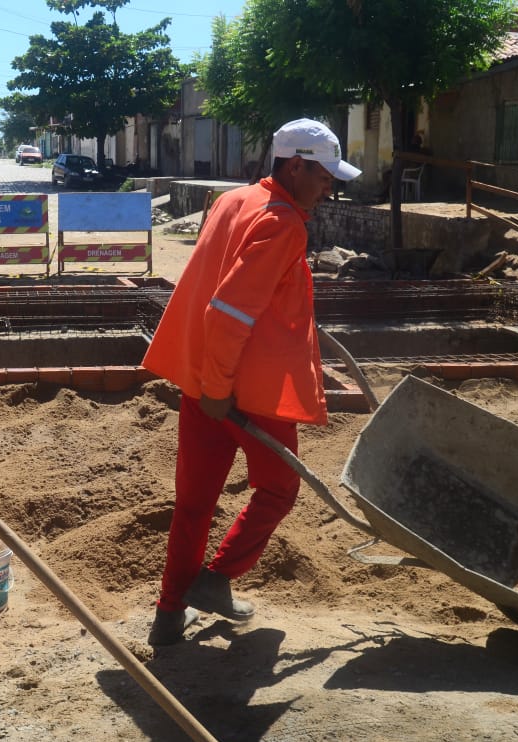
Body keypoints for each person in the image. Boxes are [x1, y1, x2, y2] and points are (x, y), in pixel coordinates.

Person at [141, 118, 361, 646]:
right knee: (281, 486)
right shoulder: (285, 224)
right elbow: (229, 313)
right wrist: (221, 390)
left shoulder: (233, 200)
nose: (330, 186)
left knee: (194, 502)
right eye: (324, 175)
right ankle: (217, 579)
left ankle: (168, 616)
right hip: (242, 389)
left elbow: (224, 290)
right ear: (294, 166)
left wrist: (210, 385)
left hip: (202, 379)